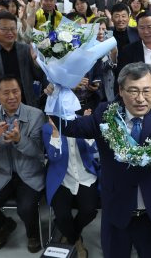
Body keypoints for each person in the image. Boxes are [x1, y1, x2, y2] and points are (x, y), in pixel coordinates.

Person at [49, 57, 151, 258]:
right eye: (133, 90)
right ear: (120, 91)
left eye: (147, 90)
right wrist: (56, 93)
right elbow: (69, 126)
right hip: (118, 211)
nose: (141, 98)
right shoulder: (104, 114)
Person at [0, 76, 46, 253]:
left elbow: (38, 151)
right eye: (6, 93)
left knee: (26, 208)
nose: (12, 96)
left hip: (30, 174)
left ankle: (33, 234)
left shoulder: (36, 115)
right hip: (2, 172)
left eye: (16, 91)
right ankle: (4, 226)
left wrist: (19, 140)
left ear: (21, 92)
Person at [42, 109, 99, 258]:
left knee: (89, 211)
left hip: (84, 176)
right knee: (61, 216)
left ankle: (69, 235)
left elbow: (94, 149)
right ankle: (77, 241)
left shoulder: (84, 121)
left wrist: (89, 130)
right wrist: (55, 132)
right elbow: (54, 158)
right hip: (62, 179)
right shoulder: (48, 127)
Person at [0, 11, 46, 113]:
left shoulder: (26, 50)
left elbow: (39, 76)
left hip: (26, 105)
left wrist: (36, 61)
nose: (10, 32)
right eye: (4, 29)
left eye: (13, 29)